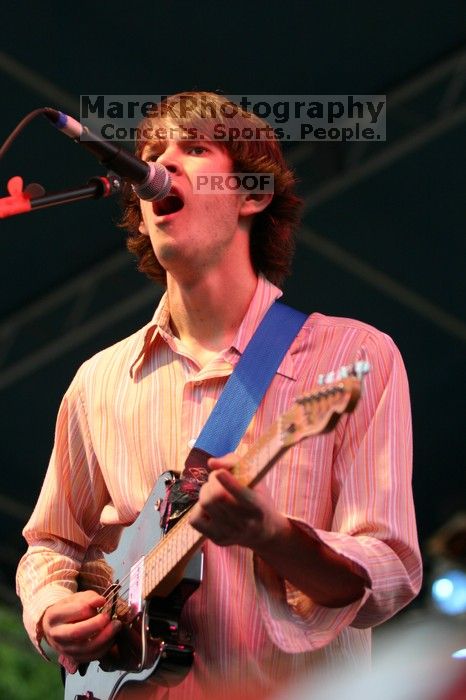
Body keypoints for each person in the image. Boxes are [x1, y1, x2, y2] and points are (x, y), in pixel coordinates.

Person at [16, 91, 422, 700]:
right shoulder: (97, 380)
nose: (162, 164)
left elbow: (388, 573)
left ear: (253, 195)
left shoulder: (353, 357)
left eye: (195, 148)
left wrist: (273, 536)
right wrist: (51, 610)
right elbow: (51, 542)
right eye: (152, 154)